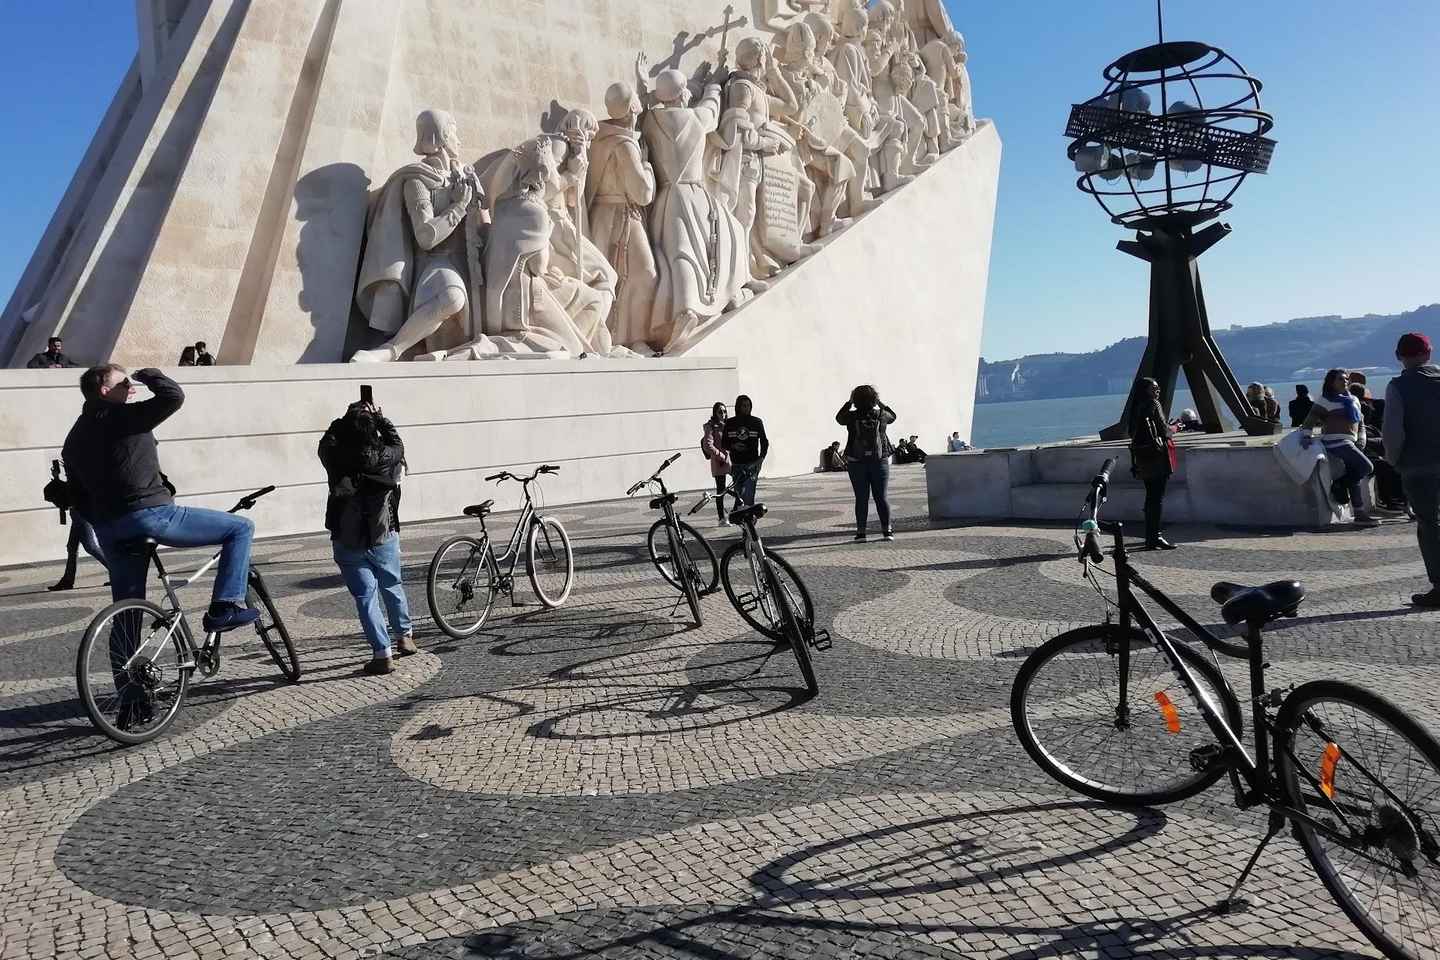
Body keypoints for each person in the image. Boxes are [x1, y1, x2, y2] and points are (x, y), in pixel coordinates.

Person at [64, 365, 258, 726]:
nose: (130, 387)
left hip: (110, 529)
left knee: (126, 614)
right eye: (122, 382)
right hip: (151, 514)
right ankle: (226, 606)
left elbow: (76, 494)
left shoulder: (74, 438)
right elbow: (173, 397)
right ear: (104, 391)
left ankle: (131, 701)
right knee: (241, 528)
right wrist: (149, 374)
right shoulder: (123, 416)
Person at [318, 399, 415, 673]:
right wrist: (381, 419)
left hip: (347, 538)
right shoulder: (387, 454)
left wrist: (343, 420)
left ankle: (382, 653)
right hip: (383, 533)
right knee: (392, 585)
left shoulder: (335, 455)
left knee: (365, 596)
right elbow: (398, 443)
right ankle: (404, 636)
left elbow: (326, 442)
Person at [1383, 333, 1440, 607]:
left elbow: (1393, 433)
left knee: (1430, 525)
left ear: (1399, 357)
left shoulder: (1398, 387)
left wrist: (1394, 461)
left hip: (1419, 467)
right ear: (1429, 353)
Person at [1303, 368, 1378, 525]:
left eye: (1346, 379)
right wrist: (1306, 436)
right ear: (1331, 382)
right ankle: (1339, 484)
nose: (1344, 381)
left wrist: (1362, 440)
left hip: (1351, 442)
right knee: (1367, 467)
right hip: (1334, 442)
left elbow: (1360, 423)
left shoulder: (1354, 400)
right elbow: (1310, 419)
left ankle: (1359, 514)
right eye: (1340, 379)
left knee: (1354, 475)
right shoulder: (1325, 400)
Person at [836, 385, 896, 541]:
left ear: (855, 400)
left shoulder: (851, 416)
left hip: (857, 462)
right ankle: (887, 531)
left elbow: (839, 418)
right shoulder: (881, 414)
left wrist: (849, 403)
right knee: (881, 497)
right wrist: (880, 403)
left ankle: (861, 533)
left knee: (861, 498)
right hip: (879, 461)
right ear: (874, 398)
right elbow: (893, 416)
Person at [1128, 377, 1176, 550]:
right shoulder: (1154, 404)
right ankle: (1155, 537)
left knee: (1150, 498)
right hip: (1156, 457)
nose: (1158, 391)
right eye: (1154, 388)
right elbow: (1164, 430)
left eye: (1158, 387)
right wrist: (1176, 428)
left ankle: (1151, 537)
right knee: (1157, 499)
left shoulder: (1135, 407)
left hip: (1142, 457)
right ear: (1146, 390)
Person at [721, 395, 768, 507]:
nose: (746, 408)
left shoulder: (756, 422)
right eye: (744, 406)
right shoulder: (730, 423)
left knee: (749, 494)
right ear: (738, 407)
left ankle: (749, 518)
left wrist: (760, 459)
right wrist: (734, 446)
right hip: (737, 464)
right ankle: (742, 518)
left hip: (752, 464)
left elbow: (764, 442)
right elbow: (724, 443)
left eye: (748, 405)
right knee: (740, 496)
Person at [700, 402, 731, 523]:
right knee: (721, 491)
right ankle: (722, 518)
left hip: (731, 461)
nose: (723, 414)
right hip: (720, 462)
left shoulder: (728, 425)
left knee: (740, 485)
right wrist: (721, 456)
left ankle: (735, 512)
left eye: (724, 411)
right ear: (715, 413)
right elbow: (708, 445)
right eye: (720, 412)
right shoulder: (711, 426)